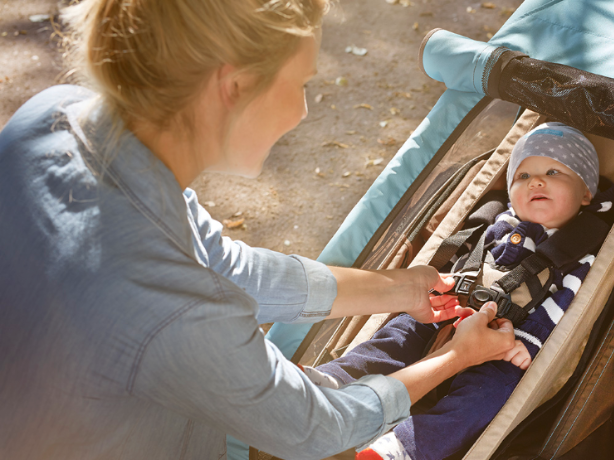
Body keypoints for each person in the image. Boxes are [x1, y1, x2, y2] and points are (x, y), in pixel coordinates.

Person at [0, 0, 518, 459]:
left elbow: (228, 268)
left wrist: (400, 288)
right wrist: (458, 356)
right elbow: (314, 431)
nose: (303, 109)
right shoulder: (173, 303)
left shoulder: (54, 114)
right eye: (301, 84)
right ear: (235, 85)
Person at [309, 122, 614, 460]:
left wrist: (527, 344)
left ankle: (403, 447)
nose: (537, 181)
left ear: (586, 193)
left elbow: (564, 305)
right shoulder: (494, 220)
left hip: (505, 343)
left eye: (554, 172)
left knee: (485, 398)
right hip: (445, 311)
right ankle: (334, 381)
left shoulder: (581, 248)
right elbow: (458, 259)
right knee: (395, 337)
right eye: (523, 176)